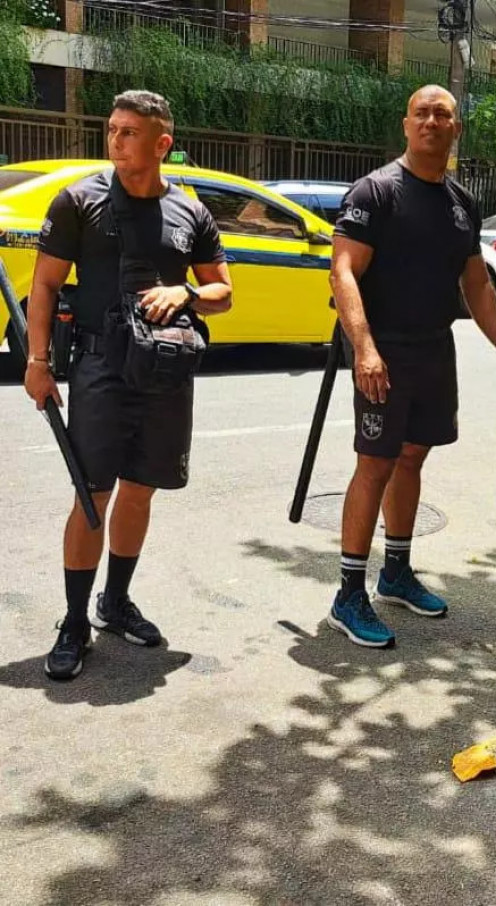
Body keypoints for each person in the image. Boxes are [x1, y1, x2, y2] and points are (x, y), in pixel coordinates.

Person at [24, 90, 232, 680]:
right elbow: (44, 285)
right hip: (100, 368)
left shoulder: (190, 212)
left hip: (164, 371)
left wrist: (184, 292)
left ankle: (114, 602)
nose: (115, 140)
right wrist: (37, 362)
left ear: (162, 143)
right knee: (92, 496)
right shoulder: (79, 201)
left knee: (140, 491)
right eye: (112, 129)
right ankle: (74, 621)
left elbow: (223, 293)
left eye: (129, 132)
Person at [327, 84, 496, 648]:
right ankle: (348, 593)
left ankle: (395, 571)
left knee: (413, 455)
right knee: (376, 463)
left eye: (443, 114)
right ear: (406, 124)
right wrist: (365, 348)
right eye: (422, 113)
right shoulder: (376, 191)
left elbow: (476, 283)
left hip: (434, 346)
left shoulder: (461, 202)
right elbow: (343, 271)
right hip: (384, 349)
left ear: (456, 129)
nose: (432, 122)